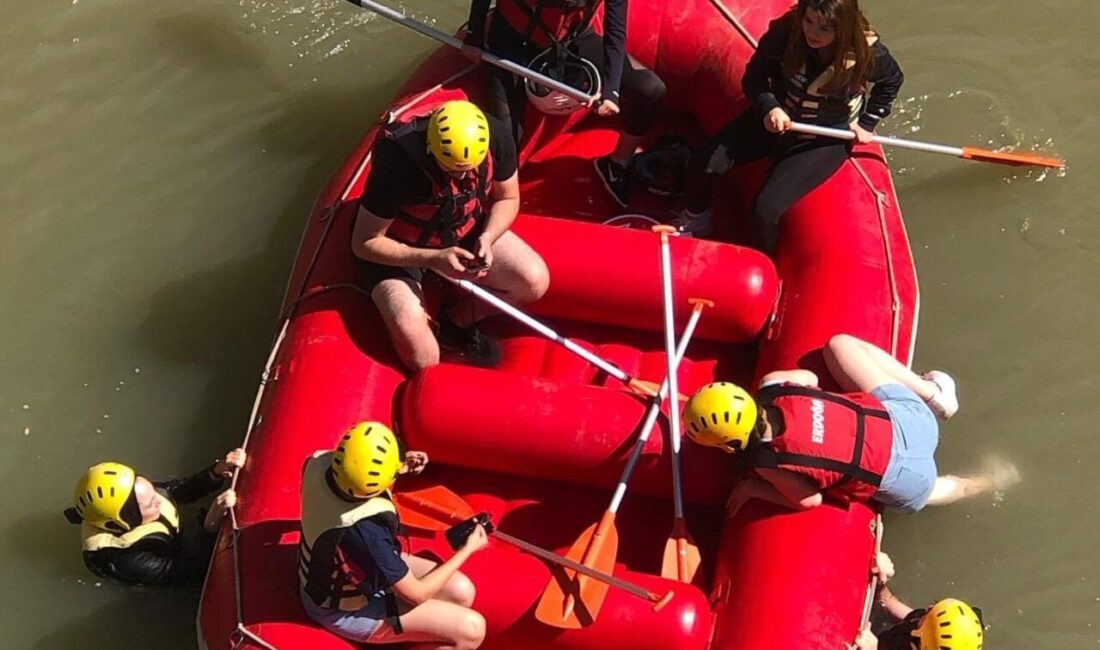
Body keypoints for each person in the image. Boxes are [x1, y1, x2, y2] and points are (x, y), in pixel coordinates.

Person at [683, 334, 1019, 515]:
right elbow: (809, 377)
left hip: (905, 478)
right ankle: (934, 395)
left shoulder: (769, 463)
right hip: (911, 420)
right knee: (840, 345)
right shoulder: (774, 384)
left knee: (952, 488)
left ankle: (991, 480)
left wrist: (755, 487)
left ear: (729, 445)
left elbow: (809, 500)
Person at [674, 0, 903, 249]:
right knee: (702, 163)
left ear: (843, 28)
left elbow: (892, 81)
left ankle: (763, 258)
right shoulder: (785, 33)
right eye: (809, 21)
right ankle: (697, 220)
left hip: (826, 135)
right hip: (777, 117)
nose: (813, 33)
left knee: (765, 208)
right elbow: (755, 78)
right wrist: (770, 107)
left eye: (824, 28)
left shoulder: (866, 52)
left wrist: (867, 123)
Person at [353, 98, 549, 372]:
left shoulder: (496, 137)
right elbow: (364, 242)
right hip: (401, 248)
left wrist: (488, 237)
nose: (464, 174)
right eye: (454, 169)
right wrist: (434, 259)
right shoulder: (398, 162)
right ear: (432, 149)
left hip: (463, 231)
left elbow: (508, 197)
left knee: (534, 282)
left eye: (469, 167)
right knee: (423, 357)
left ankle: (457, 320)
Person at [298, 422, 489, 648]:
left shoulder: (318, 463)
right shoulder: (366, 532)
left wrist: (399, 466)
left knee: (461, 591)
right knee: (473, 630)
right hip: (341, 611)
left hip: (354, 569)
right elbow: (416, 595)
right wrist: (467, 549)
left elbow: (351, 485)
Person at [463, 0, 667, 208]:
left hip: (573, 39)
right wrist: (474, 34)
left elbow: (615, 30)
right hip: (513, 42)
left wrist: (611, 91)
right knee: (506, 135)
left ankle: (616, 165)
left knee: (650, 90)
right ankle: (499, 204)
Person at [63, 448, 246, 586]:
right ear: (125, 521)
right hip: (159, 574)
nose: (158, 501)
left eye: (151, 493)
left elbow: (176, 491)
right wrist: (210, 526)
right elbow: (188, 575)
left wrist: (215, 472)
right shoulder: (126, 560)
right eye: (150, 504)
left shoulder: (139, 496)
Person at [847, 552, 985, 650]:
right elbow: (887, 600)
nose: (929, 607)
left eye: (927, 615)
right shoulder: (920, 626)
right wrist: (881, 581)